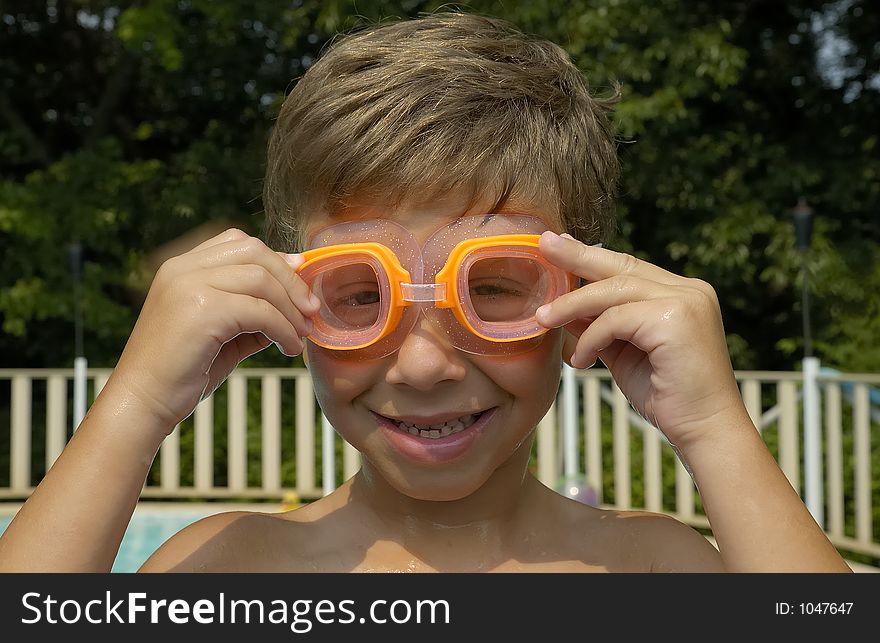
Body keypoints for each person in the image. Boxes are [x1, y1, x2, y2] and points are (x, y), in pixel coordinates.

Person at [0, 12, 850, 573]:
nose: (421, 362)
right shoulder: (234, 568)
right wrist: (135, 404)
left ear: (583, 296)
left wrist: (715, 428)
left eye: (494, 289)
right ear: (295, 300)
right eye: (360, 294)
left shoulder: (651, 570)